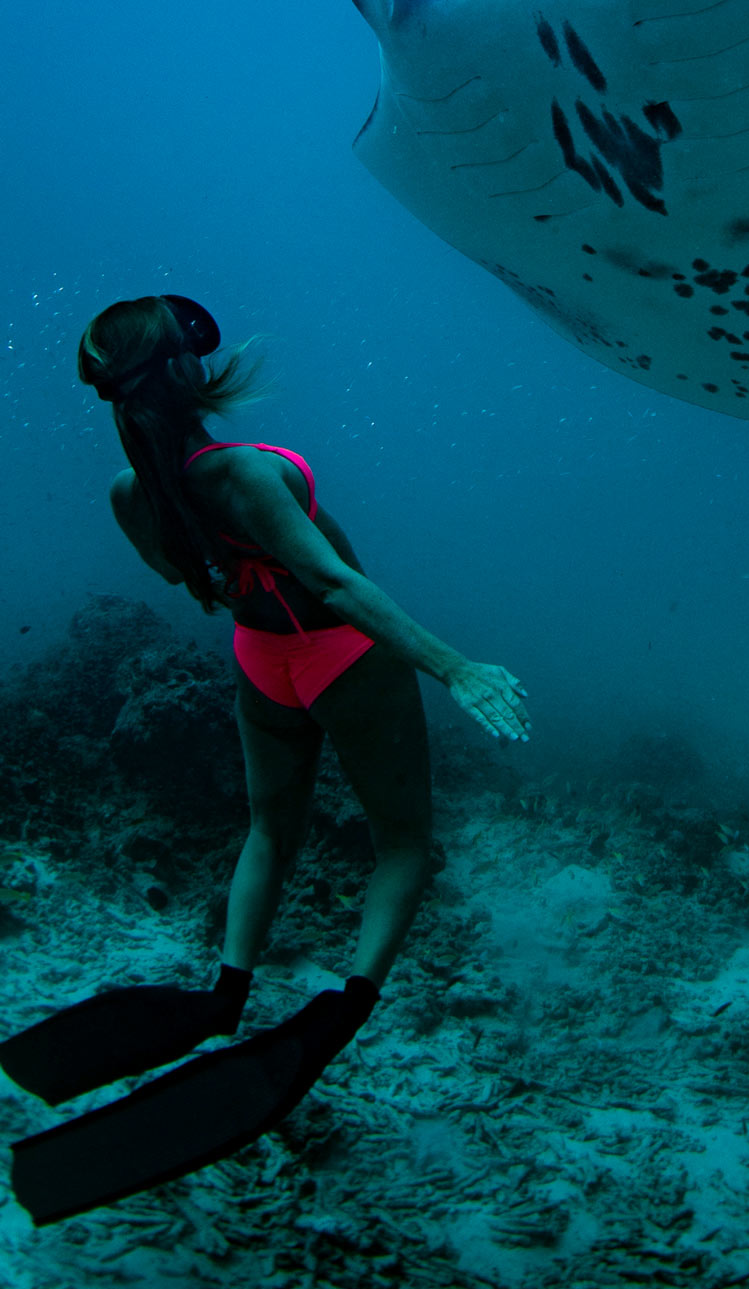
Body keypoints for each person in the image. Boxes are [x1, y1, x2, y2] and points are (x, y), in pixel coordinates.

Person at [0, 293, 529, 1226]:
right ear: (182, 368)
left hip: (259, 660)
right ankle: (343, 1008)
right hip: (339, 655)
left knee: (270, 831)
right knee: (402, 844)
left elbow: (188, 579)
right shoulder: (241, 470)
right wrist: (455, 666)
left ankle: (225, 994)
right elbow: (330, 576)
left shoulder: (132, 494)